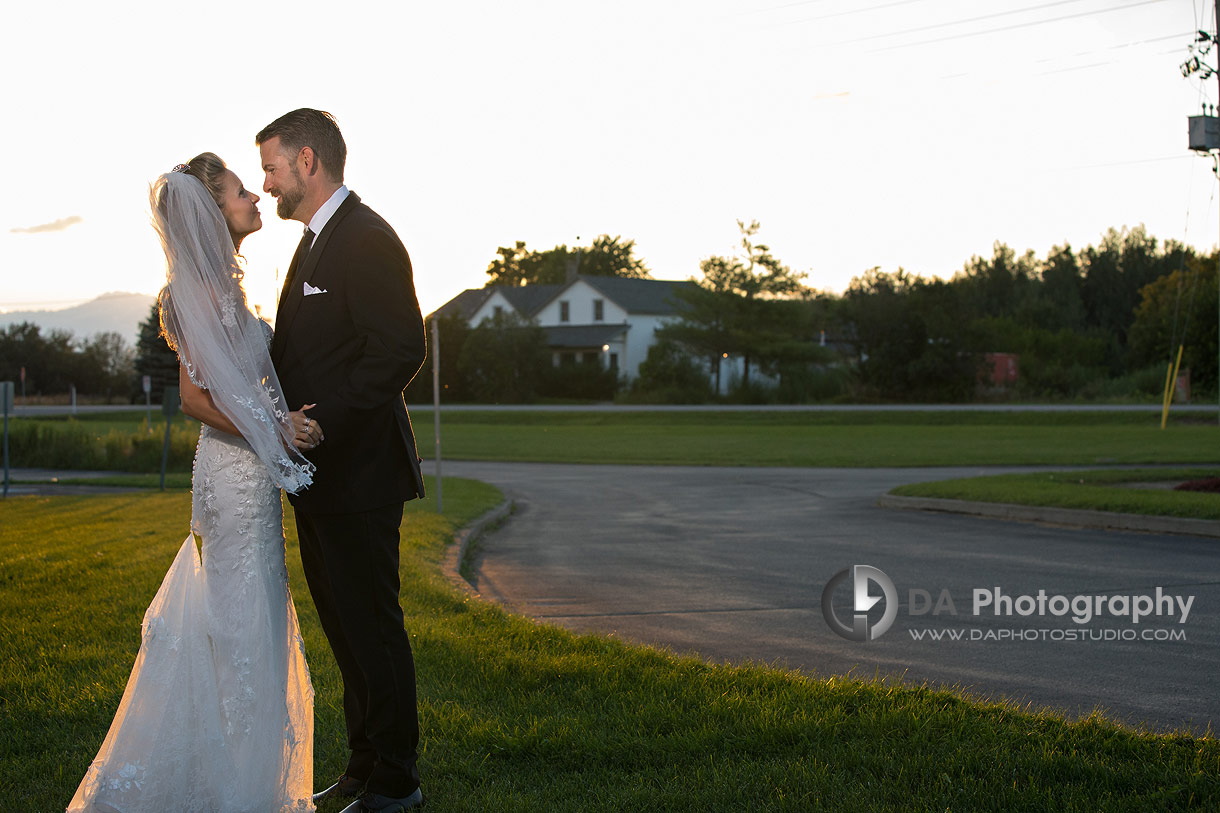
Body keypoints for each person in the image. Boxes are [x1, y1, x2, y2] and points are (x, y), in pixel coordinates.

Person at [68, 154, 319, 812]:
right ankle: (237, 782)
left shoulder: (221, 286)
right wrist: (277, 426)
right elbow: (195, 399)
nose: (254, 196)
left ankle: (244, 770)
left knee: (252, 619)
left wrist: (275, 425)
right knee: (245, 623)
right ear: (214, 211)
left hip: (246, 473)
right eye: (241, 191)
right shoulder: (198, 292)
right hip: (233, 477)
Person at [256, 109, 427, 813]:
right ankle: (363, 766)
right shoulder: (314, 241)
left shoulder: (366, 237)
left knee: (372, 626)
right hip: (320, 481)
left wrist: (321, 425)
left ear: (305, 161)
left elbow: (399, 348)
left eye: (270, 168)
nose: (266, 185)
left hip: (359, 473)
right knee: (345, 628)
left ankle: (397, 779)